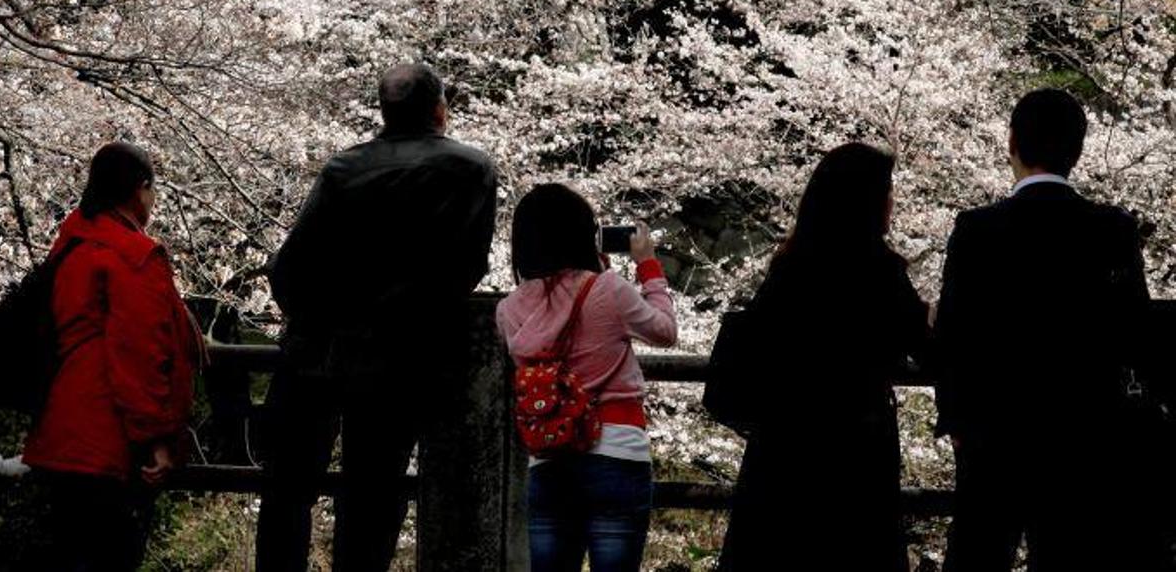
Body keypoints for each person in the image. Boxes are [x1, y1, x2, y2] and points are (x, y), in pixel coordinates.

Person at [256, 62, 498, 572]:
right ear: (440, 108)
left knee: (289, 486)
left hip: (319, 351)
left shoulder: (344, 170)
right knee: (373, 494)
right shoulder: (471, 169)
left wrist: (312, 314)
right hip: (403, 357)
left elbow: (292, 266)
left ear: (383, 111)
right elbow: (467, 266)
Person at [936, 89, 1157, 572]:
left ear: (1010, 140)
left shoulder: (977, 229)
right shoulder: (1112, 228)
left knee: (977, 554)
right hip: (1082, 433)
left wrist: (955, 418)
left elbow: (952, 333)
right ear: (1077, 151)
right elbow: (1136, 328)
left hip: (992, 432)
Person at [718, 142, 930, 572]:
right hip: (855, 447)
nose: (892, 201)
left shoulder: (790, 267)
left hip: (785, 445)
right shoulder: (880, 270)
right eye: (887, 191)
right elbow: (926, 349)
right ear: (870, 202)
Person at [22, 142, 203, 572]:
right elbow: (139, 355)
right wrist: (155, 439)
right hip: (108, 443)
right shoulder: (133, 257)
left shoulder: (72, 243)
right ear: (141, 190)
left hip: (61, 428)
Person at [496, 184, 677, 572]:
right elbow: (665, 331)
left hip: (548, 458)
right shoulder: (608, 289)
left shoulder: (509, 309)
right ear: (585, 234)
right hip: (616, 449)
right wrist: (648, 267)